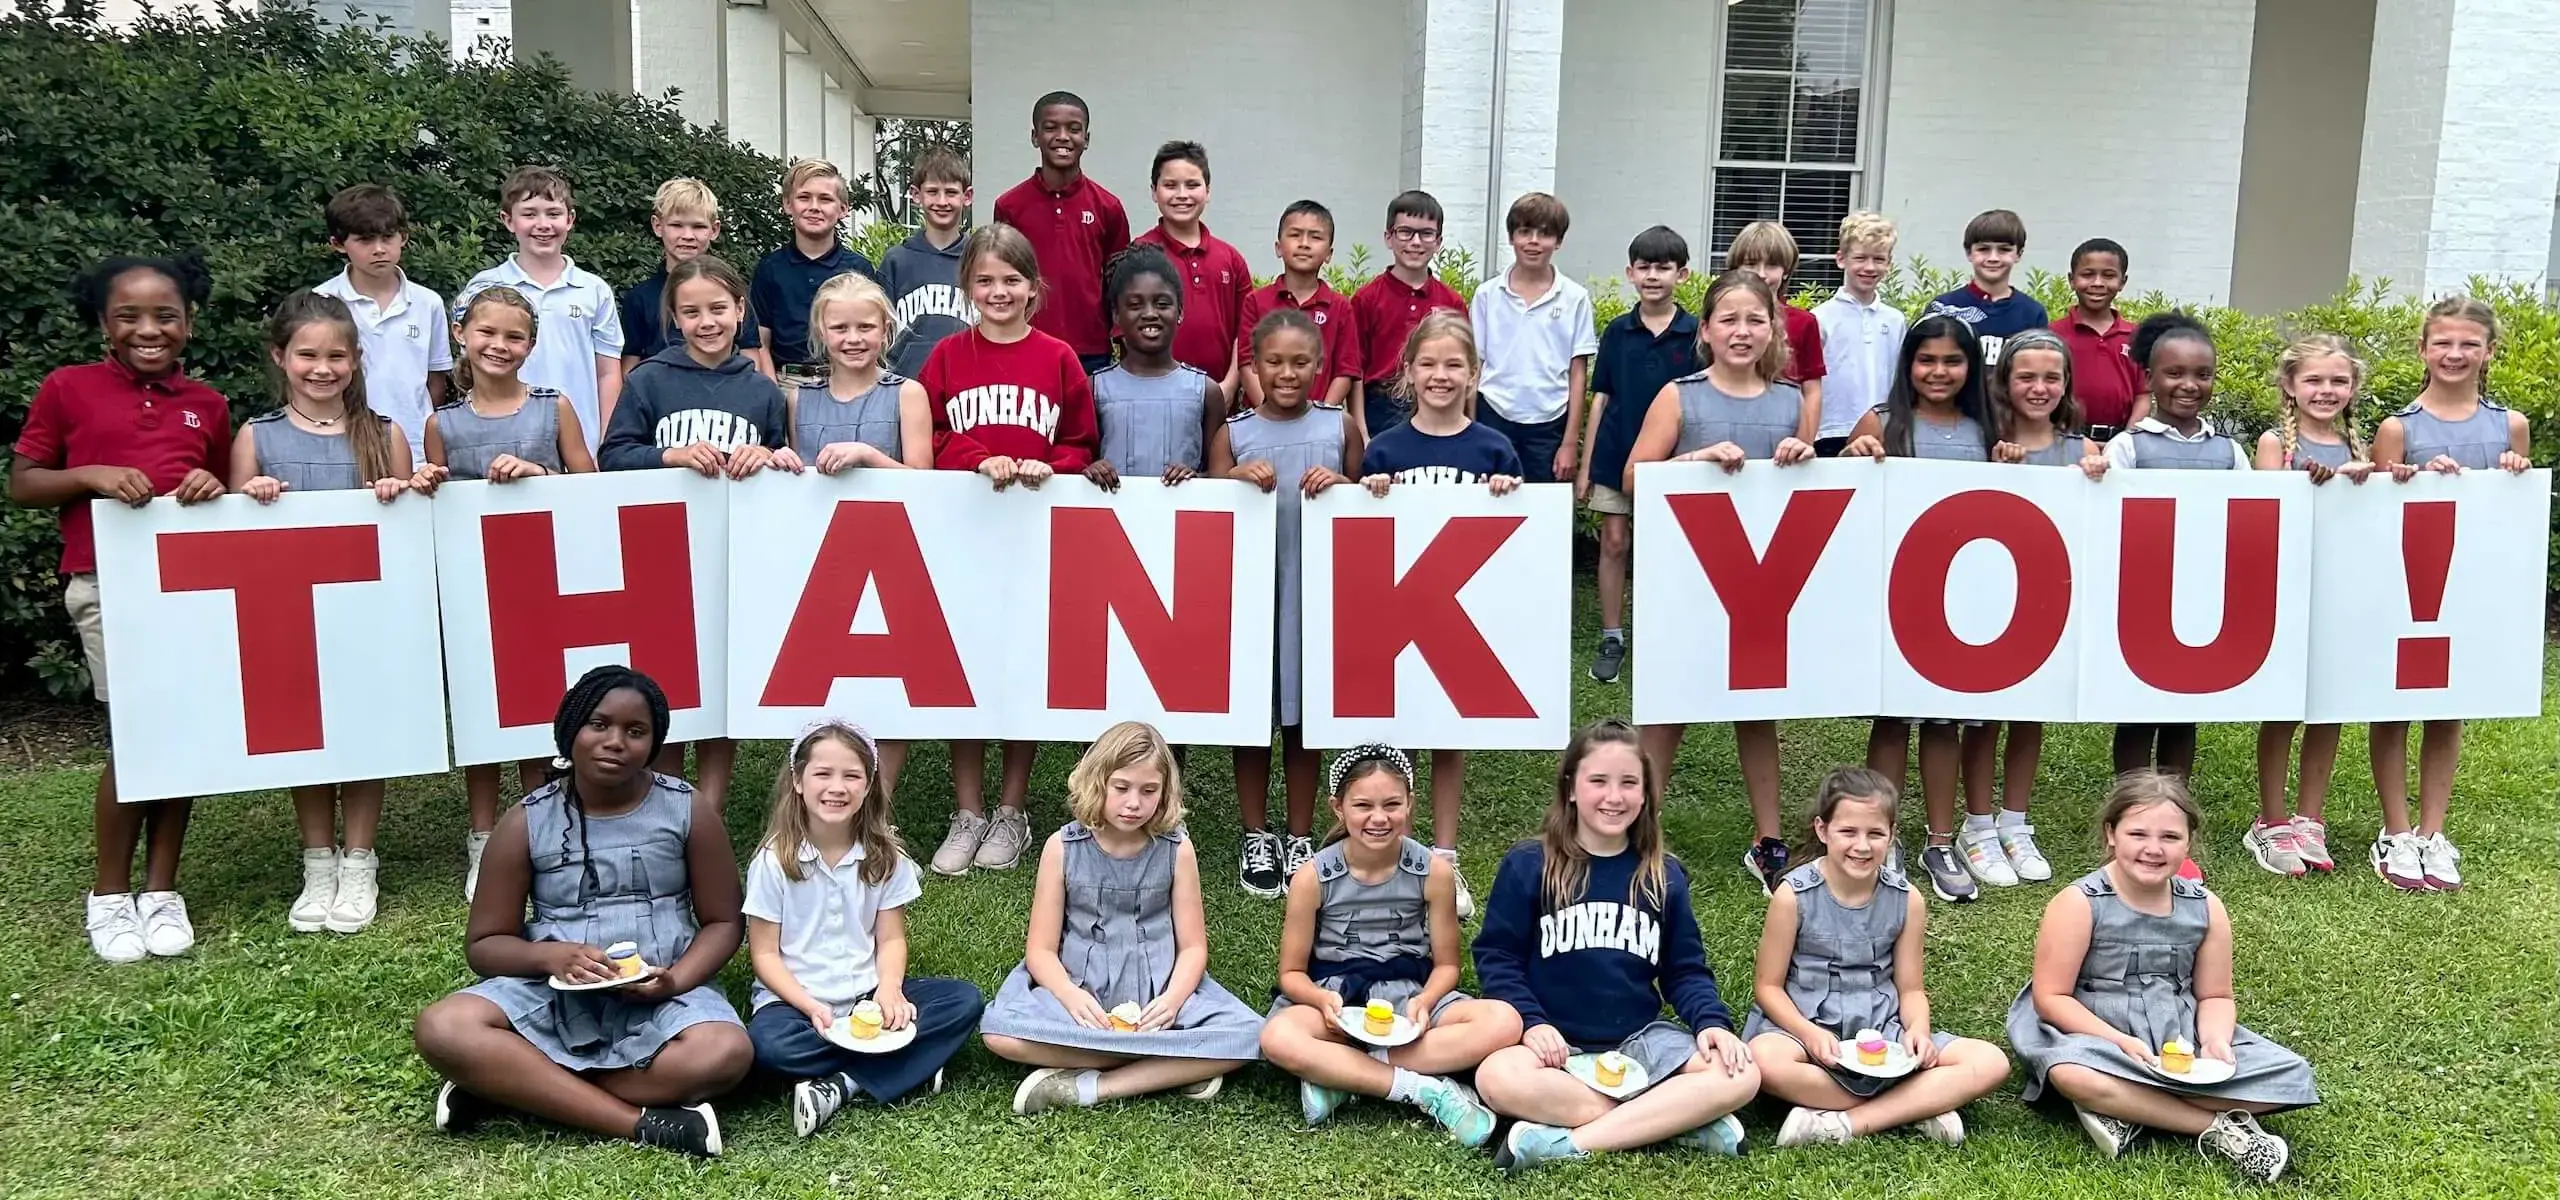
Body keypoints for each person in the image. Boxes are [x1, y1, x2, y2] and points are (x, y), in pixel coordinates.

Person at [412, 666, 752, 1159]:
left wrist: (675, 981)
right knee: (444, 1027)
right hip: (551, 993)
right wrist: (550, 958)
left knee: (725, 1054)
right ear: (571, 731)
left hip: (661, 989)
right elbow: (485, 945)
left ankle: (511, 1088)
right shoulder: (526, 820)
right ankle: (639, 1123)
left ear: (654, 744)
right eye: (599, 725)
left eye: (636, 732)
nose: (615, 741)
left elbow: (724, 922)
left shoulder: (687, 809)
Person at [13, 252, 231, 963]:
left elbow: (225, 485)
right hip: (106, 584)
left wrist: (209, 484)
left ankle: (161, 890)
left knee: (182, 741)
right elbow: (24, 482)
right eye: (130, 315)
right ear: (104, 324)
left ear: (188, 323)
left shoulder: (208, 402)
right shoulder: (68, 388)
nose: (149, 329)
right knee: (137, 738)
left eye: (165, 315)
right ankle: (110, 896)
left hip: (192, 587)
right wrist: (89, 477)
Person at [1471, 719, 1759, 1173]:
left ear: (1646, 792)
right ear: (1570, 788)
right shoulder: (1529, 864)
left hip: (1639, 1043)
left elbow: (1685, 971)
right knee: (1495, 1078)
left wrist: (1711, 1024)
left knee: (1742, 1074)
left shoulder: (1663, 875)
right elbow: (1498, 957)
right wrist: (1530, 1022)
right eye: (1598, 781)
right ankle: (1672, 1121)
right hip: (1555, 1048)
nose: (1614, 796)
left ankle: (1570, 1142)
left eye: (1629, 783)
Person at [2009, 770, 2317, 1182]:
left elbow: (2216, 997)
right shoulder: (2079, 903)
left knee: (2293, 1076)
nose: (2153, 849)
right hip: (2091, 1032)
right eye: (2138, 834)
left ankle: (2126, 1106)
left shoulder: (2206, 907)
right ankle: (2219, 1130)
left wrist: (2214, 1042)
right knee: (2071, 1073)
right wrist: (2118, 1041)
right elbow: (2052, 998)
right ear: (2111, 834)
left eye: (2170, 838)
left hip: (2178, 1032)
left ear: (2188, 842)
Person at [232, 291, 425, 936]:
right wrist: (251, 494)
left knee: (362, 732)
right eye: (307, 354)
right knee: (306, 737)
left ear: (356, 359)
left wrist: (400, 492)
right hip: (287, 618)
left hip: (365, 613)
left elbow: (409, 529)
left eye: (336, 355)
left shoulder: (384, 433)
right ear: (280, 358)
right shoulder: (256, 437)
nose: (322, 368)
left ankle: (360, 857)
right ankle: (318, 860)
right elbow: (233, 534)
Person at [1624, 270, 1819, 893]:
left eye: (1754, 320)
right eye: (1728, 320)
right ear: (1705, 330)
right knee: (1667, 706)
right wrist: (1694, 461)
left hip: (1762, 584)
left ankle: (1768, 840)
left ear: (1772, 330)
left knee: (1757, 709)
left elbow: (1809, 495)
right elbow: (1633, 478)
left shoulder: (1790, 403)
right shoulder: (1681, 396)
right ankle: (1638, 834)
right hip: (1687, 575)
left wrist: (1802, 456)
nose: (1742, 331)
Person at [920, 222, 1100, 876]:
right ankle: (967, 810)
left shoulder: (1057, 358)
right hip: (967, 526)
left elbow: (1082, 440)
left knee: (1021, 665)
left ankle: (1012, 809)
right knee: (964, 667)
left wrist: (1049, 465)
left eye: (1011, 280)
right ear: (967, 285)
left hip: (1032, 528)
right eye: (986, 280)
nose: (999, 291)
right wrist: (980, 458)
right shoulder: (945, 357)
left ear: (1033, 288)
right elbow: (932, 435)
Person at [979, 721, 1263, 1112]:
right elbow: (1040, 951)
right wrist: (1069, 995)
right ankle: (1174, 1062)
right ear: (1098, 783)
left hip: (1158, 990)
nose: (1134, 803)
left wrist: (1174, 1000)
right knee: (999, 1034)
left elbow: (1194, 947)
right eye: (1122, 788)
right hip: (1082, 989)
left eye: (1149, 791)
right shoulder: (1062, 848)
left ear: (1165, 793)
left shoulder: (1176, 849)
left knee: (1252, 1037)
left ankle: (1098, 1086)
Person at [600, 254, 792, 813]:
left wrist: (769, 455)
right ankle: (663, 798)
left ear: (739, 310)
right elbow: (613, 456)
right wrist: (669, 455)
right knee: (668, 679)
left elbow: (788, 465)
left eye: (717, 309)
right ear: (674, 319)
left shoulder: (762, 391)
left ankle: (707, 806)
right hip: (660, 556)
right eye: (691, 312)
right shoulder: (648, 380)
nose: (706, 322)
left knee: (720, 684)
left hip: (733, 556)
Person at [1258, 744, 1521, 1146]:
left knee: (1504, 1021)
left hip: (1409, 994)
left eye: (1392, 804)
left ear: (1410, 804)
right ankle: (1422, 1090)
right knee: (1276, 1037)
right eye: (1363, 805)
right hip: (1337, 1001)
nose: (1379, 818)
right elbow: (1291, 974)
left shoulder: (1433, 871)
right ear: (1338, 807)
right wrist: (1321, 1001)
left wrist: (1427, 1001)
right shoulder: (1312, 877)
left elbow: (1448, 965)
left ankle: (1344, 1074)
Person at [428, 285, 596, 898]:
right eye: (487, 333)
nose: (499, 346)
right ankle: (483, 839)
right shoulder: (441, 422)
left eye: (514, 337)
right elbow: (439, 502)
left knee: (536, 714)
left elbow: (591, 486)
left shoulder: (553, 409)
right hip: (476, 589)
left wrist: (540, 476)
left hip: (547, 582)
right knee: (481, 717)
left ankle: (538, 830)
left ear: (532, 344)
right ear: (461, 335)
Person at [1354, 311, 1523, 918]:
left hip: (1461, 619)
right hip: (1400, 612)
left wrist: (1509, 497)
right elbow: (1361, 543)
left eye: (1454, 365)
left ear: (1475, 374)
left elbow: (1516, 545)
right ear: (1406, 374)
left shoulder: (1495, 449)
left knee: (1450, 737)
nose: (1441, 375)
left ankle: (1444, 859)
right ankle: (1392, 857)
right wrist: (1369, 494)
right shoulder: (1386, 450)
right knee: (1395, 735)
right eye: (1428, 363)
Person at [1743, 767, 2009, 1147]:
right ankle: (1914, 1106)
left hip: (1881, 1029)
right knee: (1763, 1060)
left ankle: (1840, 1123)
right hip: (1805, 1027)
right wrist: (1809, 1034)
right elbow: (1767, 987)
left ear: (1892, 834)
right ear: (1823, 830)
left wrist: (1917, 1030)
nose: (1862, 846)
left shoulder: (1907, 900)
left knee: (1990, 1062)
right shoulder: (1794, 895)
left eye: (1875, 834)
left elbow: (1911, 988)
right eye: (1848, 832)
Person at [743, 720, 985, 1137]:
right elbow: (764, 954)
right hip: (796, 1006)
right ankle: (908, 1067)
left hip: (866, 996)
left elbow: (891, 938)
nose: (837, 787)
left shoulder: (884, 857)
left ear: (870, 784)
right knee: (767, 1048)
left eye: (852, 776)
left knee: (963, 1001)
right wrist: (809, 1006)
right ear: (798, 781)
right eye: (823, 773)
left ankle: (841, 1085)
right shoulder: (773, 861)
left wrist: (889, 989)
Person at [2368, 295, 2533, 892]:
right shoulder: (2398, 428)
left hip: (2468, 589)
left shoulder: (2509, 424)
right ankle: (2396, 831)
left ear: (2489, 352)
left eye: (2468, 343)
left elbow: (2509, 522)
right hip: (2407, 586)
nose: (2455, 353)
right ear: (2423, 350)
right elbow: (2376, 512)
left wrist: (2512, 472)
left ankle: (2434, 833)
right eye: (2443, 342)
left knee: (2447, 706)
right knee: (2391, 708)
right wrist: (2406, 479)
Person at [1842, 313, 1999, 904]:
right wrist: (1855, 456)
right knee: (1892, 717)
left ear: (1970, 368)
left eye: (1952, 361)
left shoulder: (1986, 430)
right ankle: (1883, 838)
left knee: (1944, 719)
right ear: (1907, 365)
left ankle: (1938, 839)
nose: (1939, 372)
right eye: (1926, 360)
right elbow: (1844, 499)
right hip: (1895, 592)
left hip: (1965, 599)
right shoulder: (1881, 422)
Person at [1209, 309, 1359, 897]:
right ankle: (1255, 832)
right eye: (1275, 362)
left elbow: (1369, 498)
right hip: (1251, 593)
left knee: (1305, 717)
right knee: (1252, 713)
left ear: (1320, 367)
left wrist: (1344, 486)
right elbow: (1207, 496)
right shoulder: (1236, 431)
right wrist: (1237, 476)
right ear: (1254, 366)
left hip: (1315, 593)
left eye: (1301, 362)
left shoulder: (1338, 426)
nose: (1288, 373)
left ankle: (1299, 834)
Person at [2104, 312, 2248, 801]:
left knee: (2184, 703)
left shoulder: (2229, 452)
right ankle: (2132, 799)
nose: (2189, 385)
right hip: (2143, 594)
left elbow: (2250, 519)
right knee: (2139, 705)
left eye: (2202, 374)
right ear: (2149, 378)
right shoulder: (2128, 447)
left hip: (2202, 594)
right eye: (2174, 373)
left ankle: (2172, 800)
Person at [2248, 334, 2374, 878]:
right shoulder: (2276, 442)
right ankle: (2271, 821)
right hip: (2289, 588)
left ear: (2353, 388)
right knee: (2285, 707)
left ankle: (2309, 817)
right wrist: (2303, 485)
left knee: (2331, 708)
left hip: (2347, 591)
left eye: (2338, 381)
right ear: (2290, 386)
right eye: (2314, 380)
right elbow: (2264, 510)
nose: (2326, 390)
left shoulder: (2360, 449)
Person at [1579, 225, 1699, 686]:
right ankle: (1613, 635)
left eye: (1663, 267)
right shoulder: (1617, 331)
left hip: (1674, 462)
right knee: (1613, 543)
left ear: (1682, 274)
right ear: (1630, 273)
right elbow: (1601, 397)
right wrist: (1587, 466)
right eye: (1644, 267)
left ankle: (1663, 632)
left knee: (1666, 549)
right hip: (1615, 454)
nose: (1653, 276)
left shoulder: (1694, 334)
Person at [453, 166, 622, 453]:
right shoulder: (483, 287)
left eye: (553, 214)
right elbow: (471, 366)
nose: (543, 224)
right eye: (529, 214)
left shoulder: (594, 290)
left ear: (570, 220)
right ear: (508, 221)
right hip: (502, 440)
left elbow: (607, 373)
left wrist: (607, 440)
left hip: (582, 445)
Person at [993, 91, 1130, 375]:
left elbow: (1119, 282)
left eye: (1074, 129)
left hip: (1091, 350)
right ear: (1035, 136)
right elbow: (1003, 278)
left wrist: (1122, 339)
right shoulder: (1009, 206)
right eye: (1051, 127)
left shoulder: (1108, 207)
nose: (1063, 136)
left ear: (1087, 139)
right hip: (1026, 343)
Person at [314, 183, 450, 462]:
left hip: (416, 449)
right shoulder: (321, 302)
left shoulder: (428, 302)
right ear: (338, 244)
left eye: (388, 237)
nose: (379, 249)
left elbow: (436, 380)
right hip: (343, 447)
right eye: (364, 240)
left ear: (404, 237)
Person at [1470, 192, 1595, 486]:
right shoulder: (1487, 295)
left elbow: (1578, 374)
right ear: (1512, 237)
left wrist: (1568, 443)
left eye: (1545, 234)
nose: (1534, 241)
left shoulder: (1575, 298)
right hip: (1494, 413)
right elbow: (1474, 367)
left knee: (1544, 513)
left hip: (1549, 421)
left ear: (1559, 241)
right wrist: (1472, 429)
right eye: (1525, 232)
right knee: (1491, 508)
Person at [1084, 245, 1221, 492]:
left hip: (1182, 526)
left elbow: (1221, 475)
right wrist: (1092, 470)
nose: (1149, 314)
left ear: (1179, 311)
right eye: (1135, 305)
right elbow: (1079, 463)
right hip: (1111, 524)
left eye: (1162, 304)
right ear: (1116, 315)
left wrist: (1196, 479)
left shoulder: (1205, 392)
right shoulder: (1095, 389)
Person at [1131, 140, 1250, 393]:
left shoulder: (1231, 259)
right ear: (1154, 191)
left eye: (1193, 185)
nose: (1182, 194)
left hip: (1220, 392)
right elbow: (1126, 329)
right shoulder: (1139, 253)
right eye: (1170, 185)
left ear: (1208, 191)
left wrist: (1228, 386)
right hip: (1154, 391)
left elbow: (1247, 331)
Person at [1349, 190, 1468, 440]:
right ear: (1388, 237)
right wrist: (1361, 430)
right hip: (1380, 407)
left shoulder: (1452, 302)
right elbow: (1355, 371)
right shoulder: (1367, 298)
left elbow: (1464, 368)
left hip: (1437, 400)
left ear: (1438, 241)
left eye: (1426, 234)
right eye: (1405, 232)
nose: (1415, 242)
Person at [752, 158, 877, 389]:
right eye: (804, 197)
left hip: (844, 379)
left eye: (826, 199)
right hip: (786, 381)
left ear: (843, 209)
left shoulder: (858, 269)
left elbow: (871, 337)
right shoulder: (770, 269)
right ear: (788, 205)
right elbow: (761, 342)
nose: (814, 207)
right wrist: (771, 390)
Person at [622, 178, 767, 376]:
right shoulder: (639, 298)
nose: (688, 235)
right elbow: (630, 365)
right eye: (677, 225)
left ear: (714, 230)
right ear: (658, 226)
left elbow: (750, 359)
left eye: (698, 227)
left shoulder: (733, 292)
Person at [1234, 200, 1362, 410]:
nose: (1304, 243)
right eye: (1295, 235)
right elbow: (1247, 364)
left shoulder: (1340, 307)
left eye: (1315, 237)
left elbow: (1345, 371)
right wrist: (1268, 410)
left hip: (1318, 424)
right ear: (1278, 247)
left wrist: (1320, 416)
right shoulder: (1256, 301)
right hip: (1263, 422)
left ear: (1329, 253)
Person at [1813, 211, 1907, 457]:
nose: (1869, 267)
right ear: (1841, 259)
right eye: (1860, 258)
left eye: (1878, 259)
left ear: (1889, 262)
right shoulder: (1820, 317)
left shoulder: (1895, 320)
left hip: (1884, 429)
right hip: (1831, 430)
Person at [879, 145, 977, 378]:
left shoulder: (980, 257)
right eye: (932, 192)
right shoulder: (896, 261)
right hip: (906, 385)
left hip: (967, 386)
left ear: (967, 197)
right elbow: (879, 332)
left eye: (951, 192)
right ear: (915, 195)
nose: (941, 201)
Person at [1723, 221, 1828, 428]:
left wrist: (1805, 440)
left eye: (1771, 265)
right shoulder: (1722, 318)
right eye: (1751, 264)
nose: (1761, 274)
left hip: (1785, 427)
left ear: (1786, 271)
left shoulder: (1804, 323)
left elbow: (1812, 389)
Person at [1925, 209, 2048, 365]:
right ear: (1969, 252)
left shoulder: (2031, 313)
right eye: (1983, 249)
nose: (1993, 258)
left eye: (2004, 250)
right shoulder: (1943, 307)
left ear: (2019, 254)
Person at [2052, 237, 2143, 438]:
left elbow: (2143, 395)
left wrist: (2126, 441)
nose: (2097, 283)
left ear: (2122, 282)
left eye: (2109, 275)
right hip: (2065, 438)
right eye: (2087, 274)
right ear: (2071, 280)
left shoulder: (2137, 337)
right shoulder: (2053, 335)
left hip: (2120, 440)